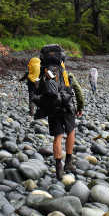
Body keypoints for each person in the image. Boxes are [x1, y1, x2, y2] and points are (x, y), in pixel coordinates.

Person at [35, 45, 84, 180]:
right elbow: (78, 91)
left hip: (52, 106)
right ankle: (68, 162)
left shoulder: (44, 72)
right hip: (66, 105)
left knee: (58, 136)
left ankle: (58, 167)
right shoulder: (65, 74)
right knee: (71, 131)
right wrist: (80, 107)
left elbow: (37, 89)